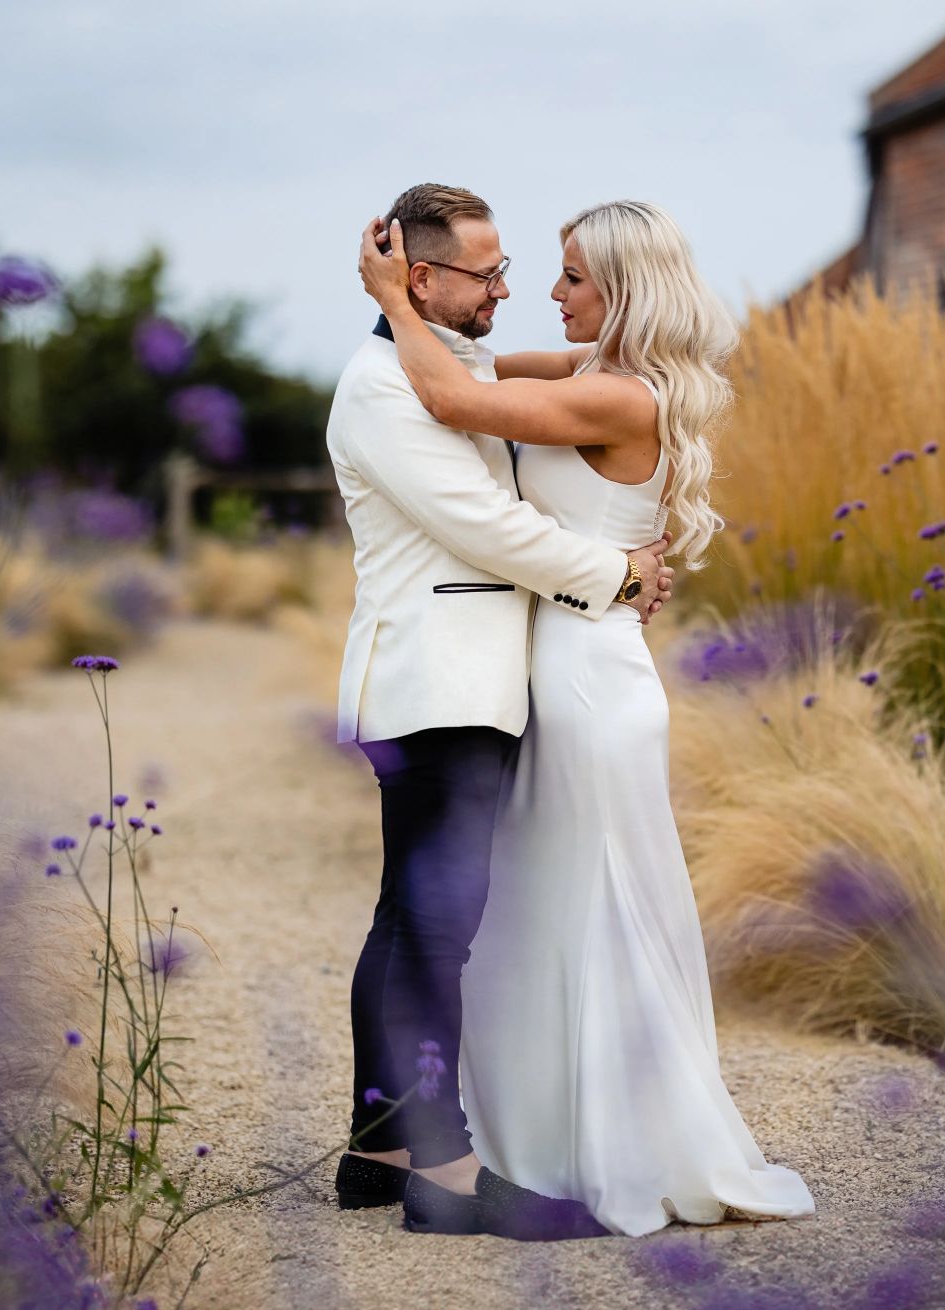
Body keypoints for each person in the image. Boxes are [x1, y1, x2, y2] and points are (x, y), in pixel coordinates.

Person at [356, 197, 815, 1237]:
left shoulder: (620, 397)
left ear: (620, 290)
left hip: (581, 680)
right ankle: (542, 1141)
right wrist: (437, 311)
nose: (547, 294)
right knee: (551, 907)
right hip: (575, 662)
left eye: (569, 277)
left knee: (586, 907)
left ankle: (597, 1147)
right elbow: (474, 371)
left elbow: (452, 399)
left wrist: (393, 298)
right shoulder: (597, 372)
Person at [325, 184, 674, 1238]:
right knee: (438, 928)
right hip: (438, 683)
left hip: (454, 680)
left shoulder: (448, 358)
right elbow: (483, 526)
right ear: (422, 277)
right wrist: (612, 572)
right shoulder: (384, 387)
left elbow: (587, 372)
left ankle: (378, 1146)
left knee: (406, 919)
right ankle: (447, 1174)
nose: (509, 289)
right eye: (488, 273)